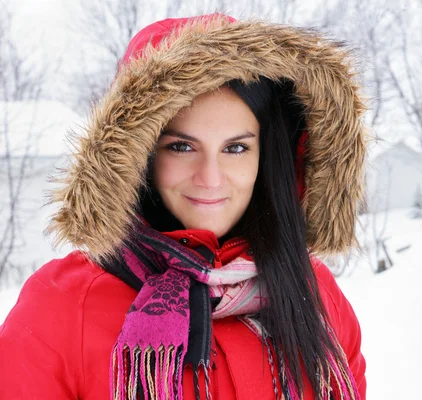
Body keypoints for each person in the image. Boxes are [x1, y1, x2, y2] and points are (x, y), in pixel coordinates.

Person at [0, 13, 367, 400]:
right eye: (181, 147)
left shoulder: (315, 292)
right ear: (139, 155)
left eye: (236, 148)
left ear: (268, 158)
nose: (210, 177)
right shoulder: (63, 306)